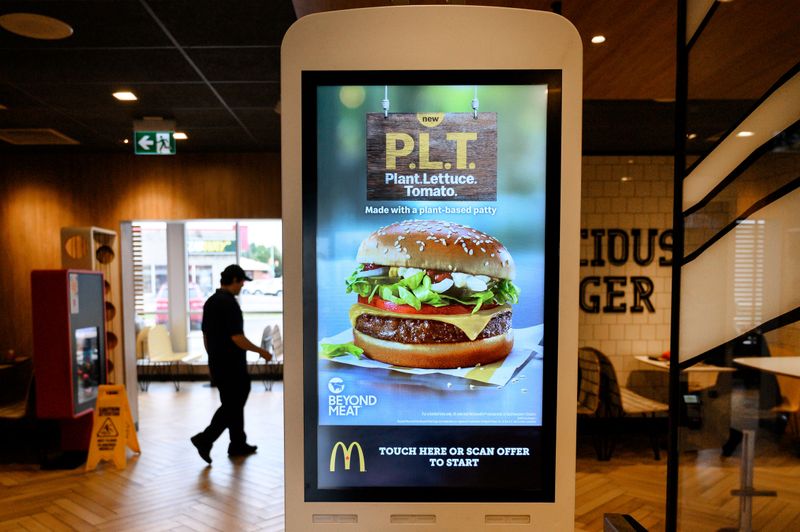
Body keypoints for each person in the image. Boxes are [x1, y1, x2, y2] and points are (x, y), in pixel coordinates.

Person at [191, 264, 272, 464]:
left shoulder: (210, 302)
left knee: (232, 403)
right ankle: (205, 439)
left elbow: (206, 336)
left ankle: (237, 443)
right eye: (242, 281)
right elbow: (237, 338)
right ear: (234, 280)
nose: (243, 285)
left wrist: (214, 358)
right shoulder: (229, 303)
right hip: (232, 366)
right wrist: (261, 351)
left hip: (218, 365)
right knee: (233, 405)